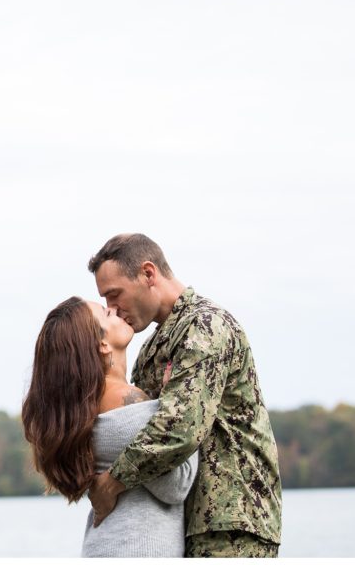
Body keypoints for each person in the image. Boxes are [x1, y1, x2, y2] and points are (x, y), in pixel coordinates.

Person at [86, 233, 282, 557]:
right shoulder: (152, 348)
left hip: (231, 522)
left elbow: (179, 428)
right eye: (105, 300)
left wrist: (112, 482)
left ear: (148, 274)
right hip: (187, 524)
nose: (112, 309)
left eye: (114, 294)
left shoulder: (206, 326)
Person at [21, 296, 199, 557]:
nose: (115, 308)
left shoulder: (88, 410)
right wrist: (183, 399)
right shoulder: (128, 405)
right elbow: (178, 484)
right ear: (102, 344)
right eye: (106, 313)